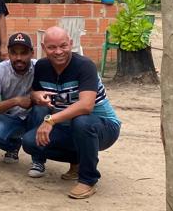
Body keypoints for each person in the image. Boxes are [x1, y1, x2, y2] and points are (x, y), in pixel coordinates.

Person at [22, 26, 121, 199]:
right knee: (30, 142)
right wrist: (35, 94)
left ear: (71, 44)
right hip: (69, 128)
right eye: (52, 47)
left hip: (103, 127)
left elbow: (86, 106)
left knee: (81, 120)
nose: (58, 51)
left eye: (63, 46)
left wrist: (50, 120)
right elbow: (35, 94)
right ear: (44, 48)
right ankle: (77, 160)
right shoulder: (42, 67)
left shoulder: (85, 65)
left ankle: (88, 179)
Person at [0, 33, 36, 163]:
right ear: (8, 53)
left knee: (41, 111)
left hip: (35, 117)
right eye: (13, 53)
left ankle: (38, 159)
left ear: (32, 53)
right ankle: (13, 146)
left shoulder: (40, 67)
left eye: (23, 53)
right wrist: (16, 101)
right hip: (12, 118)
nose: (18, 58)